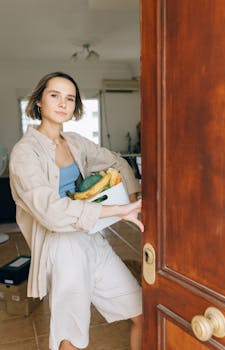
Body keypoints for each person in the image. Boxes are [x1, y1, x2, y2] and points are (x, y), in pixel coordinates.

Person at [9, 71, 144, 350]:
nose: (63, 103)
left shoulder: (75, 142)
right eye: (54, 95)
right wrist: (117, 210)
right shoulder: (25, 153)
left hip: (92, 238)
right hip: (62, 247)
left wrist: (133, 201)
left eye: (70, 98)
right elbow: (52, 213)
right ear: (38, 102)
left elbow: (116, 161)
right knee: (71, 338)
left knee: (142, 312)